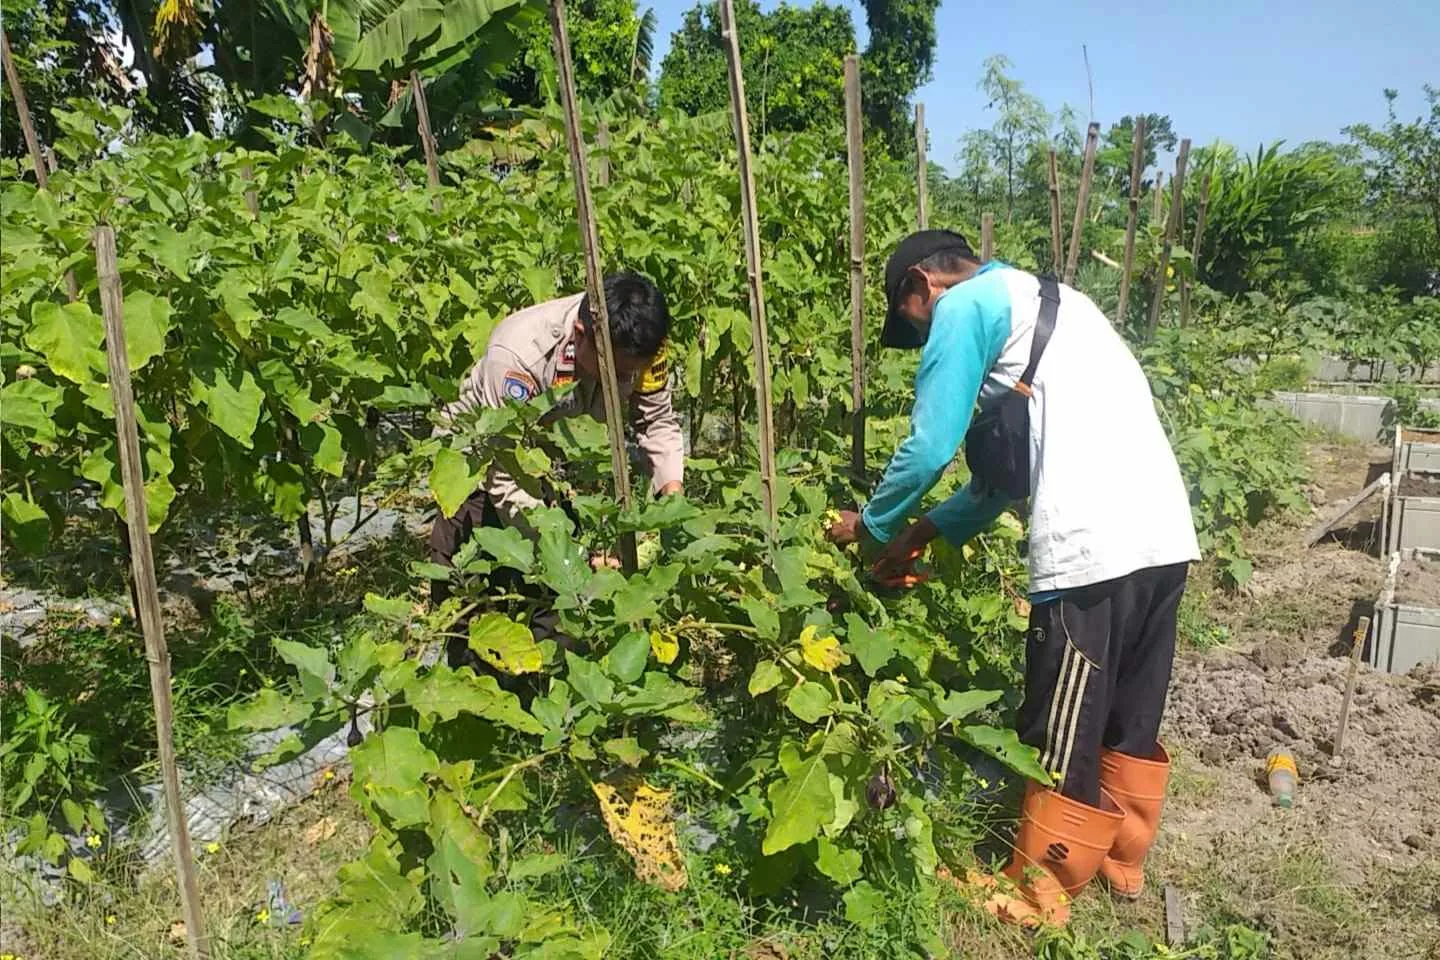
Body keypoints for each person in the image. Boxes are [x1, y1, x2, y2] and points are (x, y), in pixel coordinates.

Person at [827, 230, 1199, 928]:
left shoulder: (965, 305)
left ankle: (1041, 891)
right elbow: (999, 482)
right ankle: (1121, 861)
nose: (924, 337)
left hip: (1092, 543)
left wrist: (870, 530)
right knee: (1129, 706)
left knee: (1062, 720)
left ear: (920, 286)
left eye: (912, 323)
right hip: (1163, 534)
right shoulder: (1055, 306)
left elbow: (932, 445)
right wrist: (919, 535)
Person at [430, 272, 684, 666]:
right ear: (581, 335)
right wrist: (572, 555)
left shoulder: (642, 348)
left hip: (549, 464)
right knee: (472, 608)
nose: (624, 381)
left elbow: (656, 422)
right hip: (478, 465)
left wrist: (673, 500)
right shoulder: (518, 356)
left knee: (557, 617)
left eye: (629, 373)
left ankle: (541, 698)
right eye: (616, 372)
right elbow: (505, 473)